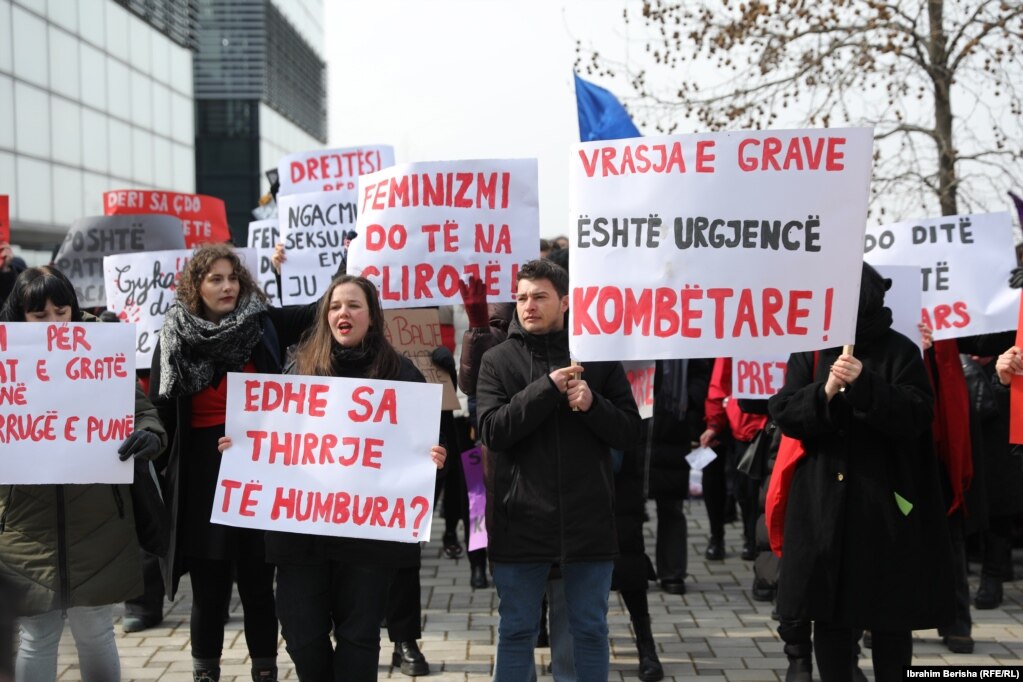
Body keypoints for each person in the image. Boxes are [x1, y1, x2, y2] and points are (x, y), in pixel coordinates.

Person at [220, 275, 446, 681]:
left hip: (368, 538)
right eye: (335, 306)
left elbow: (420, 441)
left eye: (354, 305)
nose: (344, 313)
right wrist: (241, 447)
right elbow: (269, 435)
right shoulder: (297, 368)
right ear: (325, 316)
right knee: (300, 634)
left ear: (372, 317)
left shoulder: (400, 374)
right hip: (299, 535)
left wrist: (431, 455)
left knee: (358, 636)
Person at [768, 263, 954, 682]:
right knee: (829, 615)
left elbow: (918, 414)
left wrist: (866, 385)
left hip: (884, 508)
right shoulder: (811, 350)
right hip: (822, 510)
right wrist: (827, 391)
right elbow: (785, 413)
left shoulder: (900, 350)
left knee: (890, 618)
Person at [150, 243, 319, 682]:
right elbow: (161, 412)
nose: (227, 287)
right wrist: (150, 443)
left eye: (233, 278)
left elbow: (323, 308)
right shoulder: (173, 336)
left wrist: (346, 257)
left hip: (256, 469)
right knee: (209, 588)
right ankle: (205, 670)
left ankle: (264, 669)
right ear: (196, 286)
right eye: (216, 279)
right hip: (202, 474)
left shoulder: (262, 324)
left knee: (259, 582)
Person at [476, 258, 641, 681]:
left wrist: (592, 405)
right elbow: (492, 430)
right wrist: (546, 388)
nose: (528, 305)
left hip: (588, 522)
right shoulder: (497, 360)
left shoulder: (597, 358)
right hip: (520, 523)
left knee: (589, 630)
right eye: (522, 297)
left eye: (539, 296)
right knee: (516, 631)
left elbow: (628, 432)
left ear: (565, 302)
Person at [0, 265, 167, 681]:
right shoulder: (5, 358)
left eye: (62, 311)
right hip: (23, 524)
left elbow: (143, 413)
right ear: (20, 318)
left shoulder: (100, 351)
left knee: (95, 632)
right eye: (40, 316)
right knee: (38, 634)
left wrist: (148, 436)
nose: (55, 323)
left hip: (98, 519)